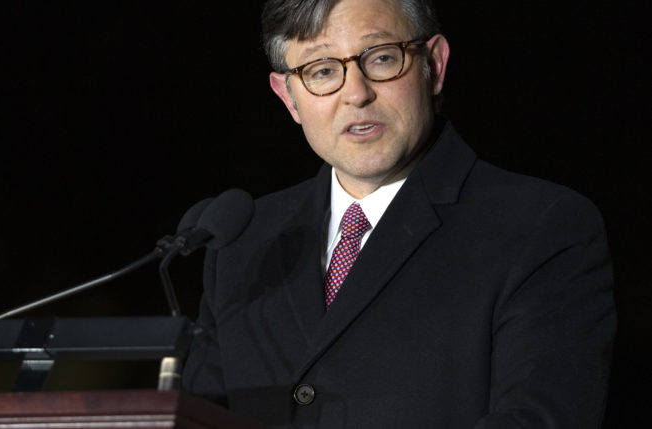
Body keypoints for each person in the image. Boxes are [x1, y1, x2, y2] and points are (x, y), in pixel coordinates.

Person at [182, 0, 616, 427]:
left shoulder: (542, 227)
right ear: (289, 97)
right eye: (323, 71)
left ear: (435, 65)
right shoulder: (243, 241)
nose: (356, 93)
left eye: (382, 58)